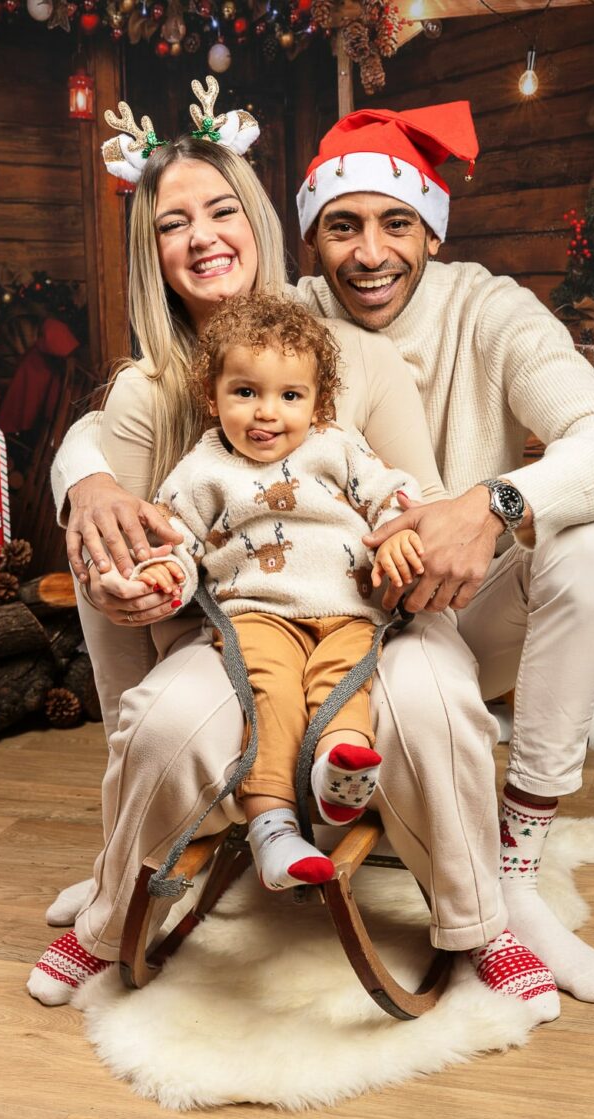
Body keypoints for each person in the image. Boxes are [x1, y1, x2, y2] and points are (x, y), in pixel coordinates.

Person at [49, 96, 594, 1007]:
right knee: (104, 535)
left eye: (395, 223)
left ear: (431, 230)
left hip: (433, 598)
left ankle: (514, 877)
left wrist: (491, 505)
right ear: (308, 238)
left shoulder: (487, 312)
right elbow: (119, 421)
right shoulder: (278, 323)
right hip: (261, 613)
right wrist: (84, 483)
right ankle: (135, 850)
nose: (369, 252)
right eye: (343, 226)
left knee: (580, 549)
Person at [131, 291, 428, 891]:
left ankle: (338, 776)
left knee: (346, 687)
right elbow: (179, 540)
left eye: (290, 396)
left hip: (348, 612)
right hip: (259, 615)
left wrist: (398, 534)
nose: (267, 413)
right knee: (272, 698)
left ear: (318, 403)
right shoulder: (203, 468)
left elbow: (389, 491)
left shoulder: (337, 444)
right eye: (246, 392)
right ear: (212, 396)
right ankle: (273, 831)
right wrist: (166, 573)